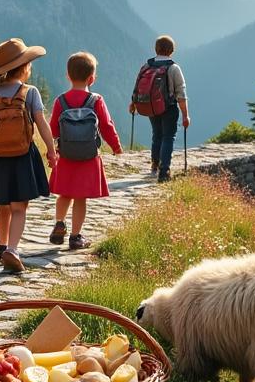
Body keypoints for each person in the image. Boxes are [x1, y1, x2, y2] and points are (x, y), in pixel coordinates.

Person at [0, 39, 57, 273]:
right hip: (23, 154)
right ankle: (12, 250)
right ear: (25, 67)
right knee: (19, 207)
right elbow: (42, 123)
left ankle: (2, 244)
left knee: (3, 205)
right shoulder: (29, 92)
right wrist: (51, 150)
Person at [48, 51, 123, 249]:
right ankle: (75, 236)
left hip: (65, 156)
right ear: (92, 78)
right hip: (89, 157)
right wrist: (115, 146)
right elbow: (107, 125)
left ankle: (59, 223)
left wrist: (52, 148)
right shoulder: (96, 100)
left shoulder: (60, 101)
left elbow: (53, 128)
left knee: (64, 194)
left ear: (68, 76)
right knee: (80, 198)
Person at [132, 35, 190, 182]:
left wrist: (133, 103)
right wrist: (185, 115)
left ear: (156, 49)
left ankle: (154, 166)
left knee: (156, 135)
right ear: (172, 51)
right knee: (168, 137)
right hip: (169, 107)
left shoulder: (147, 66)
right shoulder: (173, 68)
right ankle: (164, 172)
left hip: (150, 106)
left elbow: (138, 87)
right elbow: (181, 95)